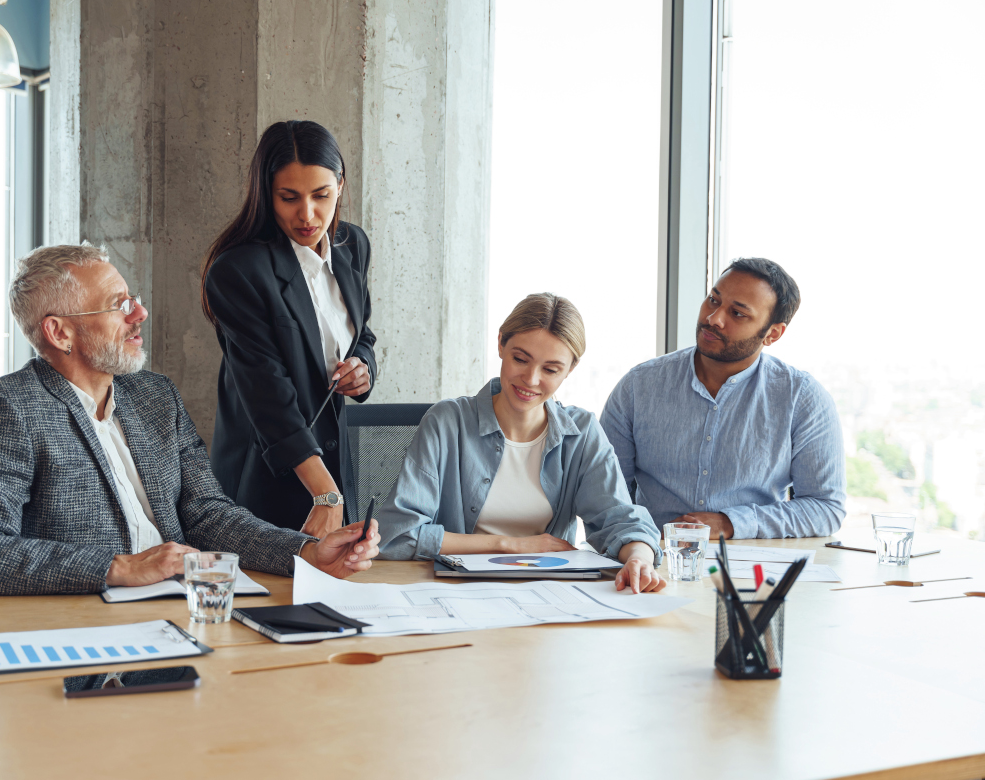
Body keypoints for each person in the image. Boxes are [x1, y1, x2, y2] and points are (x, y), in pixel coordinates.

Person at [0, 244, 378, 597]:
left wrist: (306, 552)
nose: (139, 314)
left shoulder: (155, 396)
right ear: (59, 332)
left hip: (185, 612)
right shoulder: (12, 407)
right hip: (92, 636)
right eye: (117, 305)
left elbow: (208, 516)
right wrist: (120, 567)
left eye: (133, 300)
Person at [375, 293, 665, 594]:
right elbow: (396, 535)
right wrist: (512, 546)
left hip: (547, 594)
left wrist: (639, 558)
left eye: (551, 369)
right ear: (501, 343)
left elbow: (620, 520)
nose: (531, 379)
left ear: (571, 369)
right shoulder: (447, 422)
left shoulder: (581, 432)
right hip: (456, 592)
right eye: (520, 359)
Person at [201, 120, 377, 537]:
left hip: (335, 469)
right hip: (268, 474)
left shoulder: (353, 246)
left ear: (340, 184)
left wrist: (362, 366)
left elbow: (361, 332)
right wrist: (324, 493)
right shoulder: (239, 271)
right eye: (289, 197)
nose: (307, 214)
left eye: (322, 195)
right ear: (266, 193)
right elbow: (267, 393)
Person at [600, 257, 845, 540]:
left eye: (738, 313)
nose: (713, 318)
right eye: (713, 300)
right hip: (652, 562)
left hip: (754, 567)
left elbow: (825, 508)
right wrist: (636, 547)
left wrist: (730, 524)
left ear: (772, 333)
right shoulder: (638, 386)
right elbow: (607, 496)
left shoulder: (802, 398)